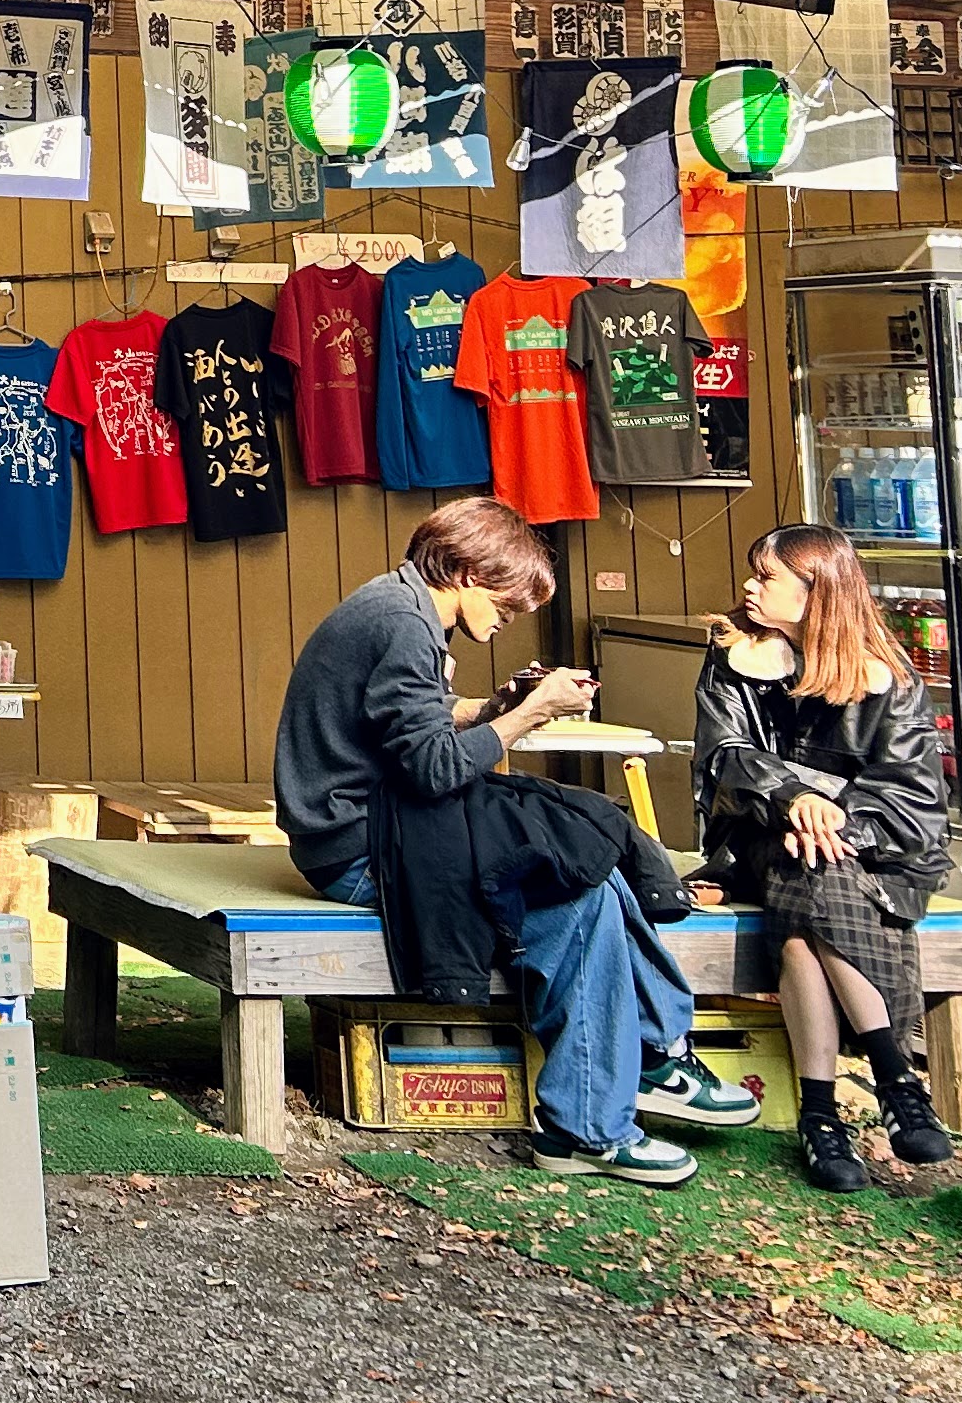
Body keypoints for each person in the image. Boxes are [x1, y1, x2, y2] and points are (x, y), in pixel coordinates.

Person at [273, 494, 760, 1184]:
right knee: (578, 890)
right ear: (469, 572)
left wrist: (493, 707)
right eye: (508, 602)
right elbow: (434, 768)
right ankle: (589, 1125)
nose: (511, 617)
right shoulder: (403, 623)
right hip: (362, 850)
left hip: (377, 827)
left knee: (583, 852)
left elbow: (412, 719)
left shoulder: (397, 603)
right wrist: (531, 714)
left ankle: (656, 1054)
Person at [692, 524, 956, 1191]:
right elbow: (723, 759)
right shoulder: (733, 657)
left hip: (876, 854)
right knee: (805, 862)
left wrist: (836, 820)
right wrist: (794, 799)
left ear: (818, 592)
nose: (749, 587)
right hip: (758, 837)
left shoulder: (888, 677)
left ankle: (820, 1117)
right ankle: (897, 1079)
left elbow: (917, 802)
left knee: (807, 903)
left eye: (767, 577)